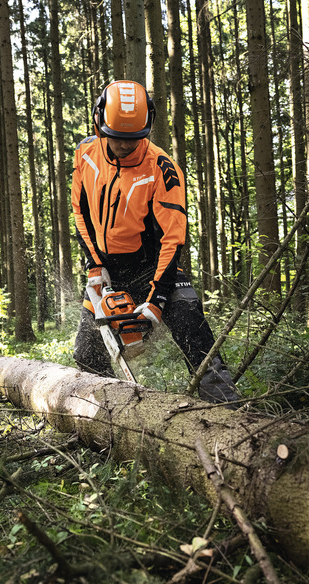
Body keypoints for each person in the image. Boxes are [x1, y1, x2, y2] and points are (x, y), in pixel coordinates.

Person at [71, 80, 240, 405]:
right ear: (99, 123)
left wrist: (157, 298)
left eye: (132, 139)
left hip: (155, 266)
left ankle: (227, 409)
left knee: (193, 328)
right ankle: (109, 416)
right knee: (87, 352)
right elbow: (80, 209)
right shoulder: (86, 153)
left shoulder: (162, 169)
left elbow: (173, 237)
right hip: (107, 269)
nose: (124, 146)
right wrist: (95, 263)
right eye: (117, 137)